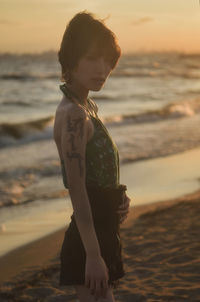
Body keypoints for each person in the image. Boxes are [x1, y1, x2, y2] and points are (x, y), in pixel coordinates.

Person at [53, 11, 131, 302]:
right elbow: (77, 189)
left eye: (107, 61)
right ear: (71, 61)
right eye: (92, 58)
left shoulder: (87, 107)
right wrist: (94, 256)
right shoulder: (73, 114)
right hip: (89, 241)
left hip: (102, 230)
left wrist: (119, 198)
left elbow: (98, 175)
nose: (102, 69)